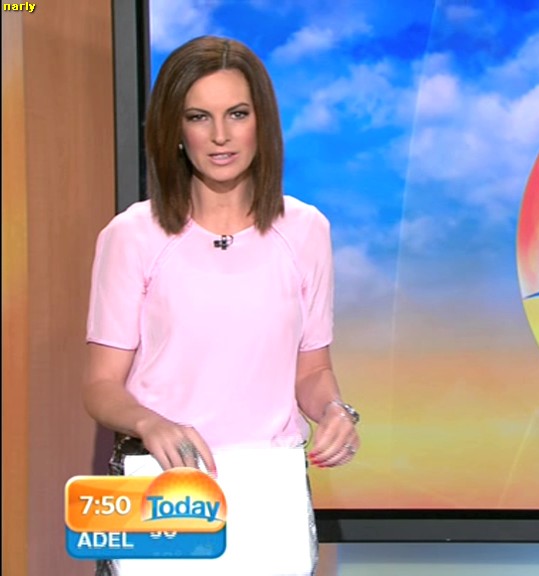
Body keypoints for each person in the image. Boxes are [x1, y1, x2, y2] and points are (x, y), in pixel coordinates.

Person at [83, 35, 359, 575]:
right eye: (198, 117)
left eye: (237, 114)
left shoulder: (306, 231)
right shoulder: (132, 235)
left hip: (269, 485)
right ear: (175, 129)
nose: (220, 135)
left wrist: (334, 411)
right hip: (162, 483)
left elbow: (312, 369)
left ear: (262, 122)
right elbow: (100, 385)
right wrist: (150, 423)